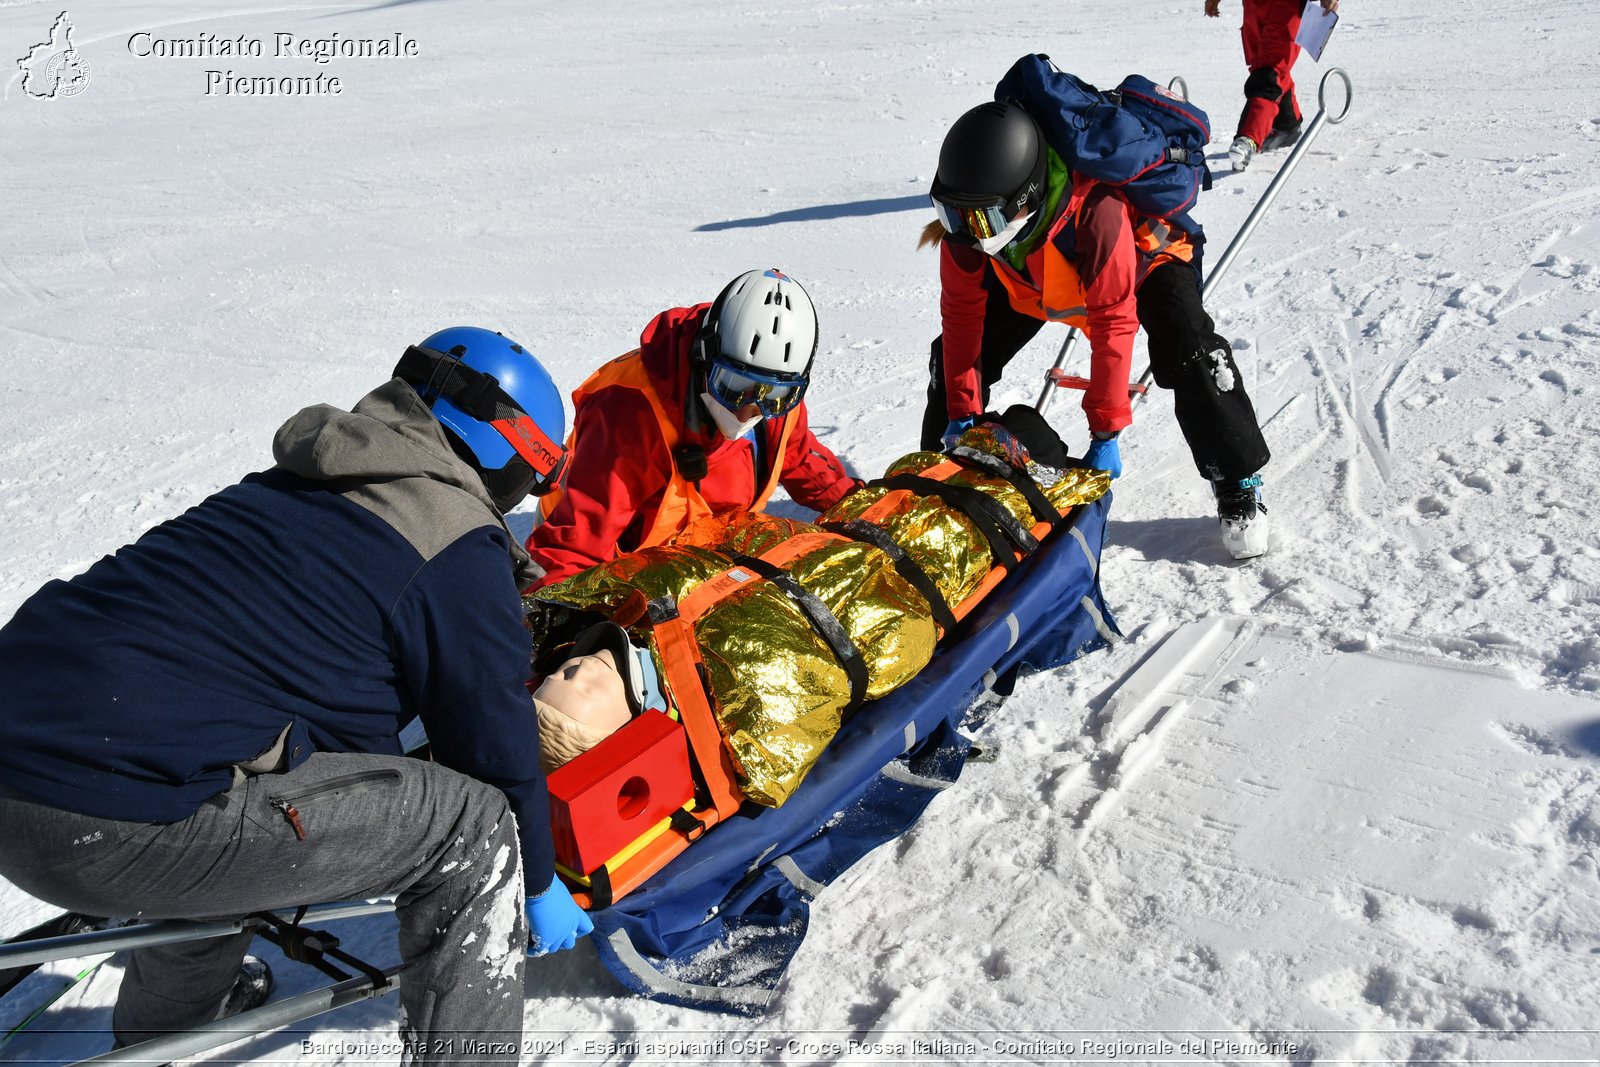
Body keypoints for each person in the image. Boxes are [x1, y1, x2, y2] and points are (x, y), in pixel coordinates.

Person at [0, 328, 592, 1061]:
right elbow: (494, 749)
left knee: (234, 768)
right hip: (103, 819)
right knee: (473, 831)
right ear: (509, 451)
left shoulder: (298, 481)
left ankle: (166, 1029)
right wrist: (535, 876)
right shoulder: (453, 541)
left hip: (22, 755)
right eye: (536, 475)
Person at [921, 98, 1273, 558]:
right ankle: (936, 478)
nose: (964, 231)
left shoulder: (1097, 209)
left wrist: (1104, 435)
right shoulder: (975, 231)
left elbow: (1113, 320)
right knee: (951, 356)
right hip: (1035, 274)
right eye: (951, 214)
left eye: (979, 218)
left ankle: (1237, 477)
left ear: (1024, 198)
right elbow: (963, 319)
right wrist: (960, 411)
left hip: (1147, 257)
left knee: (1187, 344)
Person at [528, 268, 860, 587]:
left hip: (705, 553)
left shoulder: (777, 407)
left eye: (773, 395)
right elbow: (575, 545)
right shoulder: (629, 414)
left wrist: (863, 508)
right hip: (615, 556)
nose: (749, 410)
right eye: (734, 385)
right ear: (704, 356)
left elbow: (801, 460)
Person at [1207, 0, 1341, 171]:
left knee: (1268, 75)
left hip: (1285, 8)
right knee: (1265, 69)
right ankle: (1287, 124)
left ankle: (1249, 138)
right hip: (1254, 7)